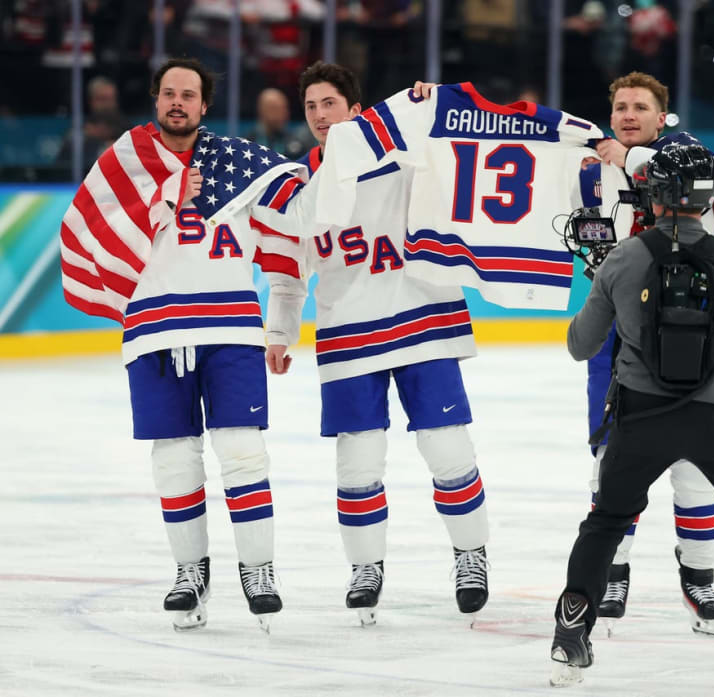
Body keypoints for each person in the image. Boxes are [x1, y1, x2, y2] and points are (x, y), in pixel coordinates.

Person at [59, 57, 309, 633]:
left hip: (230, 328)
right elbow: (90, 225)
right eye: (168, 93)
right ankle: (189, 572)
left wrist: (279, 328)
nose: (178, 102)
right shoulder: (125, 160)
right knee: (174, 462)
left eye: (189, 94)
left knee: (244, 452)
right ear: (155, 99)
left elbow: (284, 234)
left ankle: (258, 569)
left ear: (205, 105)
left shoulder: (239, 162)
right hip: (155, 329)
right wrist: (167, 192)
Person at [550, 143, 714, 687]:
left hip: (641, 419)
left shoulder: (625, 256)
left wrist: (602, 281)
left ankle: (572, 626)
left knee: (606, 523)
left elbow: (580, 345)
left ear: (653, 194)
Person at [263, 61, 490, 626]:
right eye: (311, 106)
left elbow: (466, 152)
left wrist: (442, 104)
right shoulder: (298, 189)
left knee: (448, 450)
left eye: (330, 104)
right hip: (347, 333)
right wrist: (278, 332)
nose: (319, 115)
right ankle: (366, 569)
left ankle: (471, 557)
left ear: (357, 111)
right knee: (357, 465)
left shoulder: (407, 159)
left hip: (423, 320)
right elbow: (289, 274)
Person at [246, 87, 314, 160]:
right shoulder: (248, 144)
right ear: (261, 110)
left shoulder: (297, 145)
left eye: (284, 108)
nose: (283, 113)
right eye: (275, 108)